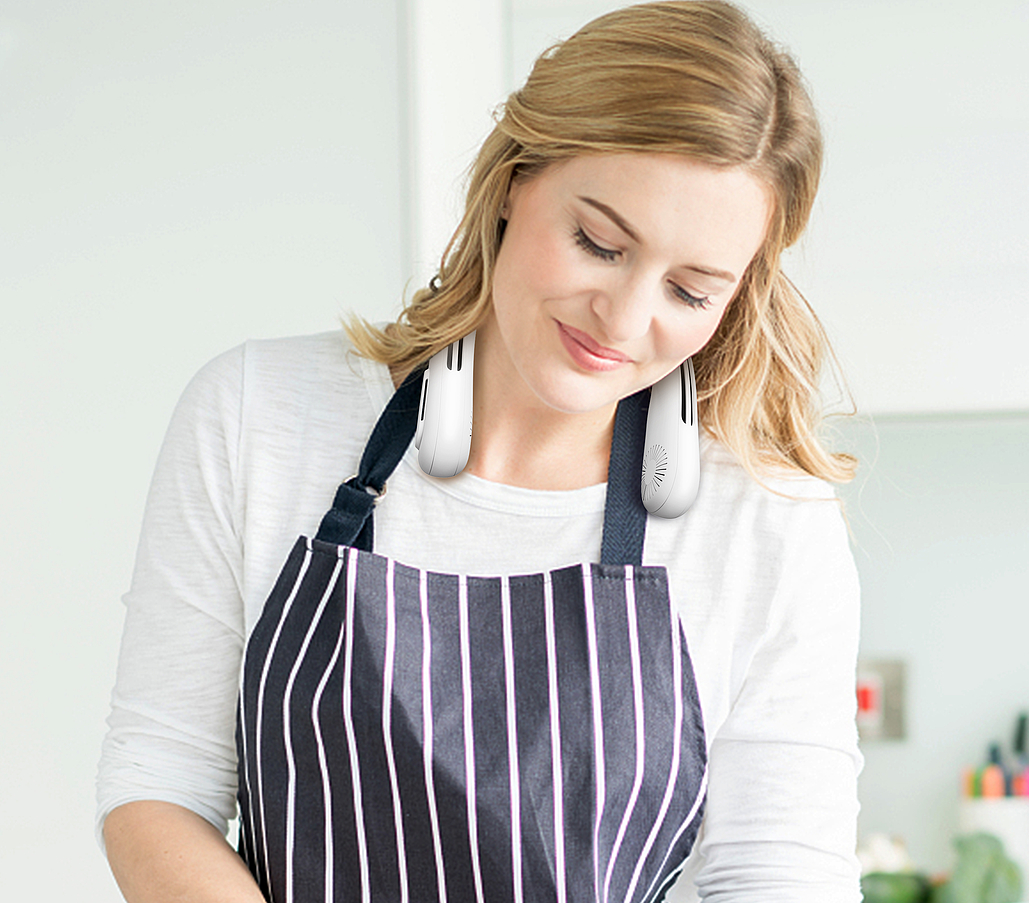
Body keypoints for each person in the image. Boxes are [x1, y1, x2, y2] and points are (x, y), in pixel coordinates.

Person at [97, 1, 862, 900]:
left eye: (691, 292)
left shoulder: (768, 524)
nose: (622, 321)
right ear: (514, 179)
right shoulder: (257, 415)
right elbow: (159, 783)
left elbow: (780, 875)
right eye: (599, 243)